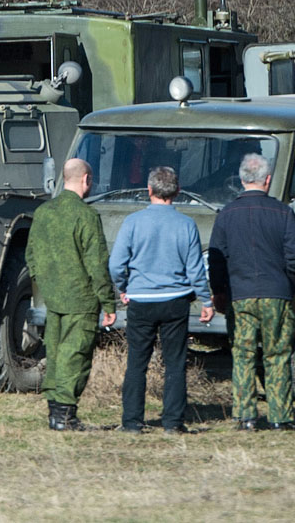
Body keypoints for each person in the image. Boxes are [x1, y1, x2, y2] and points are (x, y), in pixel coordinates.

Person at [109, 166, 214, 434]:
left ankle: (132, 422)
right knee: (175, 363)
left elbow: (116, 263)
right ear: (177, 192)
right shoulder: (187, 224)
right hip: (176, 300)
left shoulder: (133, 222)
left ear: (149, 190)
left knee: (136, 363)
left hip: (141, 299)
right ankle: (173, 422)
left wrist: (122, 287)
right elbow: (195, 269)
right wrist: (205, 299)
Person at [208, 153, 295, 431]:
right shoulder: (283, 212)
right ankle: (280, 417)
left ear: (241, 180)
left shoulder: (226, 215)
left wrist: (219, 291)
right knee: (277, 355)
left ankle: (246, 417)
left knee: (243, 354)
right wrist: (286, 281)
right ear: (268, 180)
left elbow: (217, 259)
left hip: (240, 294)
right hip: (277, 292)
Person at [25, 158, 116, 431]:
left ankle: (55, 413)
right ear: (86, 180)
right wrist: (108, 301)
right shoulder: (86, 216)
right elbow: (97, 265)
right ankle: (65, 417)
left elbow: (31, 256)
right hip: (82, 299)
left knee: (54, 355)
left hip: (53, 298)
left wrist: (46, 284)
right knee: (75, 356)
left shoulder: (43, 212)